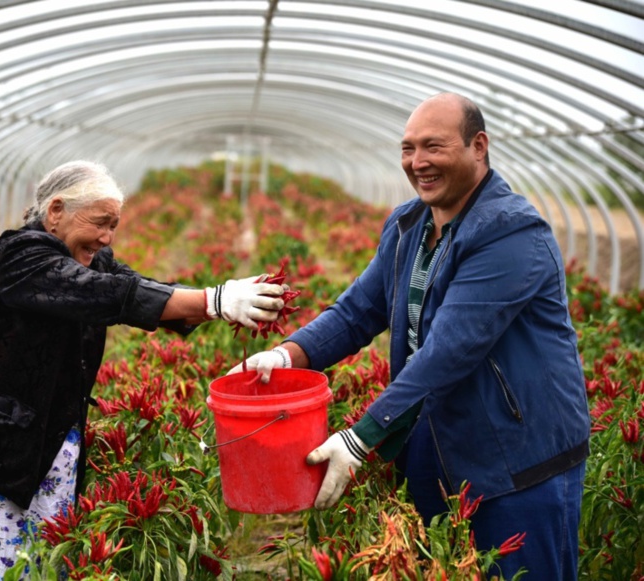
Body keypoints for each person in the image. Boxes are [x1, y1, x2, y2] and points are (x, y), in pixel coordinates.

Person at [229, 93, 590, 580]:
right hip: (442, 447)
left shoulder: (510, 233)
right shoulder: (409, 226)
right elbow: (358, 312)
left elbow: (451, 350)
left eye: (434, 147)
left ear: (478, 146)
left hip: (519, 464)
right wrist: (285, 355)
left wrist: (361, 439)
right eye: (407, 149)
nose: (418, 162)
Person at [0, 160, 286, 580]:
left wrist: (220, 303)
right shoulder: (21, 256)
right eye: (100, 222)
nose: (107, 236)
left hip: (41, 445)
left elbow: (135, 287)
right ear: (56, 211)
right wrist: (212, 299)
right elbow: (102, 294)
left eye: (114, 225)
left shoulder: (93, 259)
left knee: (39, 562)